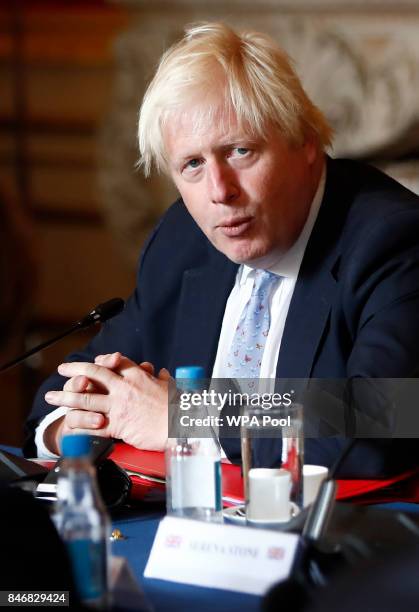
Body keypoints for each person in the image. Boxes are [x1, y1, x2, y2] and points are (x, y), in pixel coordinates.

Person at [25, 23, 419, 476]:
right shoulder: (185, 238)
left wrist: (187, 418)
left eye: (240, 151)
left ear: (304, 141)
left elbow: (386, 414)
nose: (219, 191)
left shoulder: (392, 239)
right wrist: (79, 424)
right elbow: (77, 382)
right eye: (192, 164)